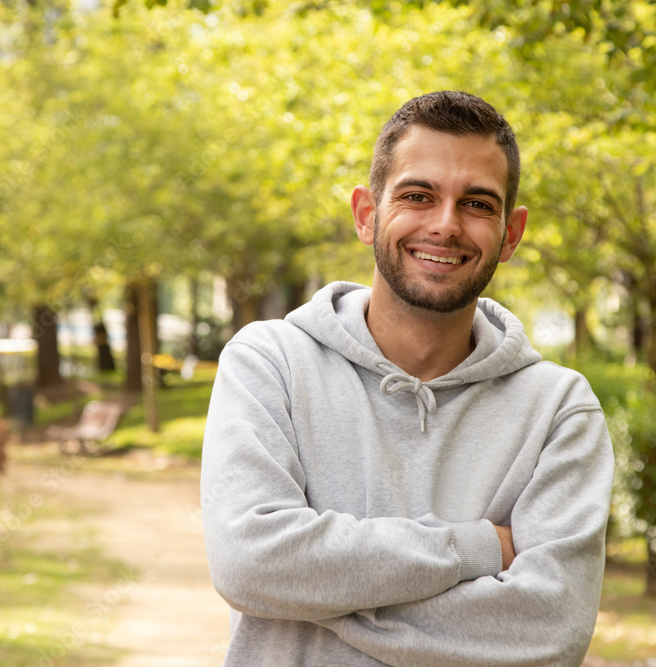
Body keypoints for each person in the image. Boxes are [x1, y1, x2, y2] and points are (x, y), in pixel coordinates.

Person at [200, 91, 614, 666]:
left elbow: (548, 631)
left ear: (511, 233)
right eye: (418, 196)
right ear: (367, 215)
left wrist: (316, 591)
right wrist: (474, 548)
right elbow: (250, 564)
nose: (445, 226)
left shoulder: (559, 410)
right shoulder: (270, 362)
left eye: (476, 203)